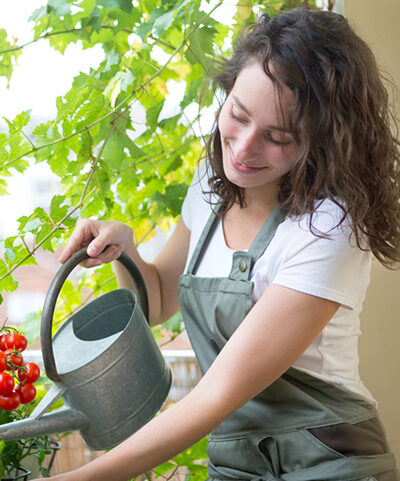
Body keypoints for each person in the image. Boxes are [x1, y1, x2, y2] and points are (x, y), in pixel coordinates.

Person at [35, 8, 400, 481]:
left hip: (327, 462)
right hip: (237, 464)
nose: (244, 149)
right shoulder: (211, 183)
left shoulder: (329, 227)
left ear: (321, 141)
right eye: (238, 115)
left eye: (277, 137)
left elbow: (217, 393)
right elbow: (159, 299)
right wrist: (126, 249)